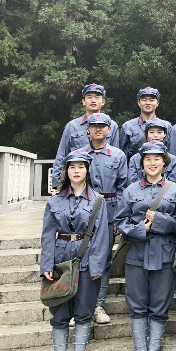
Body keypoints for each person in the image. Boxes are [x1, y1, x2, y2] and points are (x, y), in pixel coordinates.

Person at [116, 141, 176, 351]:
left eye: (157, 159)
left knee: (160, 305)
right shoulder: (131, 190)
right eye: (148, 159)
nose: (152, 163)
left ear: (164, 162)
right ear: (142, 163)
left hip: (164, 255)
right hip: (136, 254)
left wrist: (160, 221)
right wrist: (139, 229)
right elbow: (120, 221)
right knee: (137, 305)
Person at [41, 151, 109, 351]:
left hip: (87, 259)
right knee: (59, 312)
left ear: (88, 170)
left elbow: (101, 237)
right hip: (60, 260)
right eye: (72, 167)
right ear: (66, 171)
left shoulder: (98, 201)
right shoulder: (55, 201)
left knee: (83, 310)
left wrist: (97, 267)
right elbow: (48, 235)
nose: (76, 170)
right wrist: (47, 266)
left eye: (81, 166)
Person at [74, 112, 128, 326]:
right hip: (82, 209)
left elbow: (123, 188)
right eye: (93, 125)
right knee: (79, 255)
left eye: (102, 126)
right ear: (87, 129)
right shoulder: (78, 154)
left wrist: (118, 218)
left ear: (109, 130)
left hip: (109, 208)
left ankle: (97, 304)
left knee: (103, 259)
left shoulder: (118, 155)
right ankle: (77, 303)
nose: (98, 129)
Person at [51, 83, 119, 189]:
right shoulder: (72, 126)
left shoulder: (112, 126)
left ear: (103, 102)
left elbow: (116, 155)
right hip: (77, 181)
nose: (93, 100)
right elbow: (61, 154)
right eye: (89, 97)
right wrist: (57, 183)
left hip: (104, 180)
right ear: (83, 101)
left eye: (97, 97)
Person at [120, 87, 173, 161]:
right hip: (135, 169)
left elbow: (171, 152)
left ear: (157, 103)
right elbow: (123, 155)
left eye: (151, 100)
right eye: (144, 100)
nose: (148, 103)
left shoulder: (167, 126)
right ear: (138, 103)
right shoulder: (128, 126)